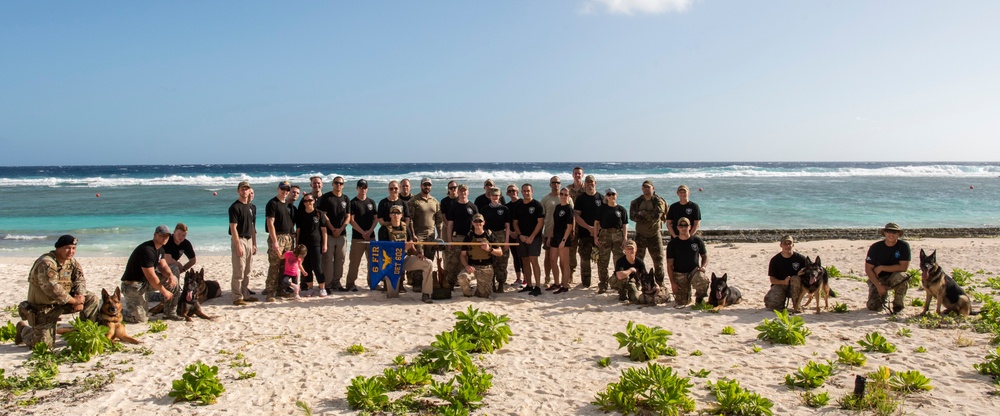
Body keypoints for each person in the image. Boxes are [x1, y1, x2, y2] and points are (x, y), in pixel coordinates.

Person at [15, 235, 100, 348]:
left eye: (73, 248)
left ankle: (84, 333)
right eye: (67, 248)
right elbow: (52, 288)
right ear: (58, 248)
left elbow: (80, 280)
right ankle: (23, 329)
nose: (71, 251)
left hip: (64, 303)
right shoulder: (46, 263)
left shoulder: (72, 262)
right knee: (43, 346)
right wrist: (74, 301)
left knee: (91, 298)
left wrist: (79, 297)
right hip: (44, 308)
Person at [121, 225, 182, 322]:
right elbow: (151, 276)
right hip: (132, 286)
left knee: (173, 277)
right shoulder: (147, 250)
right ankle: (118, 312)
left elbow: (163, 266)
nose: (164, 238)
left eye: (167, 236)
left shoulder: (160, 249)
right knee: (140, 319)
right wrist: (164, 291)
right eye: (162, 235)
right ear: (155, 235)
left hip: (145, 283)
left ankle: (169, 313)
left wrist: (170, 276)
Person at [378, 205, 435, 303]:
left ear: (402, 215)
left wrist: (417, 254)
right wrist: (401, 248)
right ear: (390, 215)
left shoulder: (405, 228)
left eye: (398, 213)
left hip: (404, 260)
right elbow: (384, 250)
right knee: (393, 296)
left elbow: (411, 247)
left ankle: (426, 293)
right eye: (393, 213)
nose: (396, 216)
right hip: (391, 263)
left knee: (428, 263)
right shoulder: (384, 229)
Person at [865, 223, 912, 313]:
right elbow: (868, 269)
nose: (891, 234)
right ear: (885, 233)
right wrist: (878, 286)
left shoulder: (903, 246)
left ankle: (898, 305)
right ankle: (884, 296)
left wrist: (882, 268)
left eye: (894, 232)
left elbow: (903, 267)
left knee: (903, 276)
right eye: (889, 231)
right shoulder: (875, 247)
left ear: (898, 234)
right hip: (878, 278)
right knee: (873, 306)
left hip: (894, 277)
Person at [406, 177, 442, 292]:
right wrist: (412, 235)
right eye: (425, 185)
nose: (427, 187)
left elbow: (438, 220)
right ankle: (416, 283)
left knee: (429, 260)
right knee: (419, 259)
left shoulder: (435, 201)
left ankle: (425, 283)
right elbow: (409, 219)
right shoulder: (414, 201)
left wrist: (439, 236)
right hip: (418, 235)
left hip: (431, 236)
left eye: (429, 185)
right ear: (421, 186)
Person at [629, 180, 667, 285]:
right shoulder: (636, 202)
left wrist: (642, 214)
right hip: (640, 235)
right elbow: (632, 216)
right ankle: (638, 282)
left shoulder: (658, 201)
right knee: (637, 261)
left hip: (654, 235)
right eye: (644, 187)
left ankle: (660, 283)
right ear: (642, 189)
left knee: (658, 262)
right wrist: (648, 215)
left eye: (648, 187)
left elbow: (657, 215)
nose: (646, 189)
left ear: (653, 188)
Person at [318, 175, 351, 292]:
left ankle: (336, 283)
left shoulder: (346, 199)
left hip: (342, 234)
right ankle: (327, 285)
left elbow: (348, 216)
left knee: (340, 259)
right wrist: (332, 229)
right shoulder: (326, 198)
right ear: (332, 184)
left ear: (343, 185)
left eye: (341, 183)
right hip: (329, 234)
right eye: (336, 183)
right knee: (327, 260)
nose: (338, 185)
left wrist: (341, 229)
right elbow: (323, 215)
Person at [458, 213, 503, 298]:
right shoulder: (469, 237)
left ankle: (480, 290)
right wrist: (466, 266)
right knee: (462, 277)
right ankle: (468, 294)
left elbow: (500, 252)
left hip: (486, 268)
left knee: (483, 295)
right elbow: (463, 255)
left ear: (484, 222)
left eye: (480, 221)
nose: (478, 223)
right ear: (472, 223)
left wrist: (489, 249)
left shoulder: (489, 235)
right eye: (476, 221)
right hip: (473, 267)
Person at [666, 217, 708, 307]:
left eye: (685, 225)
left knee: (702, 279)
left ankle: (699, 299)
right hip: (679, 274)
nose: (683, 228)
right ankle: (687, 296)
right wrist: (672, 283)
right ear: (677, 228)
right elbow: (669, 265)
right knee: (682, 302)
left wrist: (703, 267)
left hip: (694, 271)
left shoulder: (697, 241)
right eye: (681, 226)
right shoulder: (672, 244)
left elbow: (705, 256)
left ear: (690, 227)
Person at [512, 183, 545, 296]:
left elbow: (540, 222)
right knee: (525, 260)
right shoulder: (518, 206)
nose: (526, 193)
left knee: (533, 260)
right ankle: (529, 285)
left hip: (534, 238)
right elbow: (515, 223)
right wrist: (520, 235)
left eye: (528, 191)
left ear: (532, 191)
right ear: (521, 192)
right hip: (522, 237)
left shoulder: (537, 205)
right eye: (524, 191)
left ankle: (538, 286)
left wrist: (531, 237)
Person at [265, 181, 295, 300]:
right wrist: (275, 241)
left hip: (288, 237)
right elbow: (270, 223)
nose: (285, 192)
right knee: (274, 265)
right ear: (278, 189)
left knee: (285, 266)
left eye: (287, 190)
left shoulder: (286, 204)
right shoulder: (273, 203)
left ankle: (280, 290)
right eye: (283, 189)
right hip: (277, 237)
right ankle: (270, 292)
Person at [594, 188, 628, 294]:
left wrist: (625, 238)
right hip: (604, 235)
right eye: (609, 194)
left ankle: (618, 282)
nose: (611, 196)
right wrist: (595, 236)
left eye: (613, 194)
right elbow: (596, 223)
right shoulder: (602, 209)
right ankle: (603, 284)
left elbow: (624, 225)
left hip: (618, 235)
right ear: (606, 196)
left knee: (618, 260)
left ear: (616, 195)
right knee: (603, 261)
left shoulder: (621, 209)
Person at [229, 181, 258, 305]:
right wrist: (237, 245)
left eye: (247, 189)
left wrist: (254, 243)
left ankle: (245, 294)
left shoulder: (251, 207)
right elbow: (233, 227)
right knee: (239, 270)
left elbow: (252, 226)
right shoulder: (235, 207)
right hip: (239, 239)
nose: (245, 191)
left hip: (249, 240)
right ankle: (237, 297)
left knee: (248, 270)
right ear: (238, 191)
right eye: (242, 189)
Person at [573, 174, 604, 288]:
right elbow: (577, 216)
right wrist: (589, 228)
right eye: (588, 182)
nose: (590, 184)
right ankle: (586, 283)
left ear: (595, 183)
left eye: (592, 182)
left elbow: (605, 216)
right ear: (585, 184)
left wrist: (596, 229)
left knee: (601, 260)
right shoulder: (581, 199)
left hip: (600, 235)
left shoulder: (601, 198)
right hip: (585, 233)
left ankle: (602, 282)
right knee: (584, 259)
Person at [445, 184, 478, 287]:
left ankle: (462, 281)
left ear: (468, 192)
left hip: (469, 238)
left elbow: (478, 224)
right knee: (453, 261)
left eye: (465, 191)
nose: (463, 193)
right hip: (457, 237)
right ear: (458, 192)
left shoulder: (473, 207)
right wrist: (450, 240)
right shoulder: (454, 206)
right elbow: (450, 225)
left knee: (466, 260)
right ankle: (450, 282)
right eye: (461, 191)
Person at [346, 179, 377, 291]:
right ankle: (350, 283)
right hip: (357, 238)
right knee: (354, 262)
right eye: (360, 187)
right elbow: (351, 220)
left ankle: (372, 282)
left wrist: (369, 231)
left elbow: (376, 219)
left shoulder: (371, 202)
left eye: (364, 187)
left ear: (367, 189)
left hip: (371, 237)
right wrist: (362, 232)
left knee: (373, 261)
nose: (362, 189)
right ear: (357, 188)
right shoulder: (353, 202)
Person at [295, 193, 328, 297]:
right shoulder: (300, 215)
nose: (308, 202)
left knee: (317, 266)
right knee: (307, 266)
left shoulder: (319, 214)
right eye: (305, 201)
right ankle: (310, 288)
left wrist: (325, 244)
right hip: (303, 245)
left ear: (314, 201)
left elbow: (324, 230)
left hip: (316, 244)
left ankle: (322, 288)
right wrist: (297, 245)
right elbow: (298, 231)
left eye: (310, 200)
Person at [479, 187, 511, 292]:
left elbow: (507, 226)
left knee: (502, 260)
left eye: (497, 195)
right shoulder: (484, 209)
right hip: (489, 235)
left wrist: (507, 241)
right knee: (489, 259)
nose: (495, 197)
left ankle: (501, 283)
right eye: (493, 195)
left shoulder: (504, 209)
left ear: (500, 196)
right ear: (490, 196)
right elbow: (482, 226)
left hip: (501, 234)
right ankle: (491, 283)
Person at [764, 235, 808, 311]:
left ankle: (796, 305)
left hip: (796, 287)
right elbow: (772, 280)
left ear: (793, 245)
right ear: (781, 245)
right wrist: (784, 282)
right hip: (780, 285)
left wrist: (802, 274)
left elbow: (810, 274)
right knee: (772, 306)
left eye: (789, 244)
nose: (787, 246)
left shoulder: (801, 259)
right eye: (785, 244)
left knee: (796, 279)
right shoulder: (775, 260)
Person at [548, 187, 574, 294]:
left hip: (564, 238)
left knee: (564, 263)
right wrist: (550, 236)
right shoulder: (557, 207)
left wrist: (563, 240)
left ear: (569, 196)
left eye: (566, 194)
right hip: (555, 237)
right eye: (562, 194)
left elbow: (569, 226)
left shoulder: (569, 209)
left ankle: (564, 285)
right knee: (553, 260)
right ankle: (557, 283)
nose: (563, 196)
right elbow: (555, 223)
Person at [540, 176, 564, 285]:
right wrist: (541, 232)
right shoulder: (545, 199)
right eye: (553, 182)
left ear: (560, 184)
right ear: (550, 184)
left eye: (558, 182)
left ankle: (564, 278)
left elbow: (572, 217)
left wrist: (572, 231)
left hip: (563, 233)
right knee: (548, 257)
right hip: (548, 231)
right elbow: (541, 218)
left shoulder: (566, 198)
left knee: (562, 258)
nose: (556, 184)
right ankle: (547, 277)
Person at [567, 167, 585, 276]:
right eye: (575, 173)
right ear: (572, 175)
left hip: (583, 224)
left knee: (583, 251)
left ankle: (584, 275)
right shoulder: (568, 189)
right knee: (571, 251)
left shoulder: (586, 189)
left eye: (579, 174)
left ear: (582, 175)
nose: (577, 175)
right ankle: (571, 273)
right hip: (571, 225)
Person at [505, 185, 525, 287]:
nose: (512, 192)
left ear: (518, 191)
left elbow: (525, 220)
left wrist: (518, 232)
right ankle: (518, 278)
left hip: (521, 234)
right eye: (510, 191)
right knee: (515, 257)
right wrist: (510, 233)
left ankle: (526, 279)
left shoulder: (522, 203)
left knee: (523, 257)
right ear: (507, 193)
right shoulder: (507, 206)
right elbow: (505, 222)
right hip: (511, 234)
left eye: (514, 190)